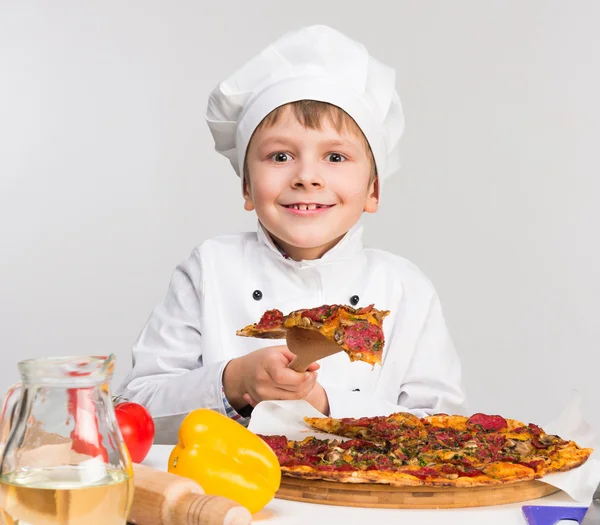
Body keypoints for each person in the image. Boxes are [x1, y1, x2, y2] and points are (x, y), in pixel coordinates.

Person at [116, 25, 468, 426]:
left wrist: (325, 404)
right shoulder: (211, 268)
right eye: (280, 156)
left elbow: (440, 427)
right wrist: (233, 381)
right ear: (247, 187)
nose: (307, 176)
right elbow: (134, 409)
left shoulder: (405, 288)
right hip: (228, 486)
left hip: (361, 490)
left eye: (335, 158)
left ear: (373, 190)